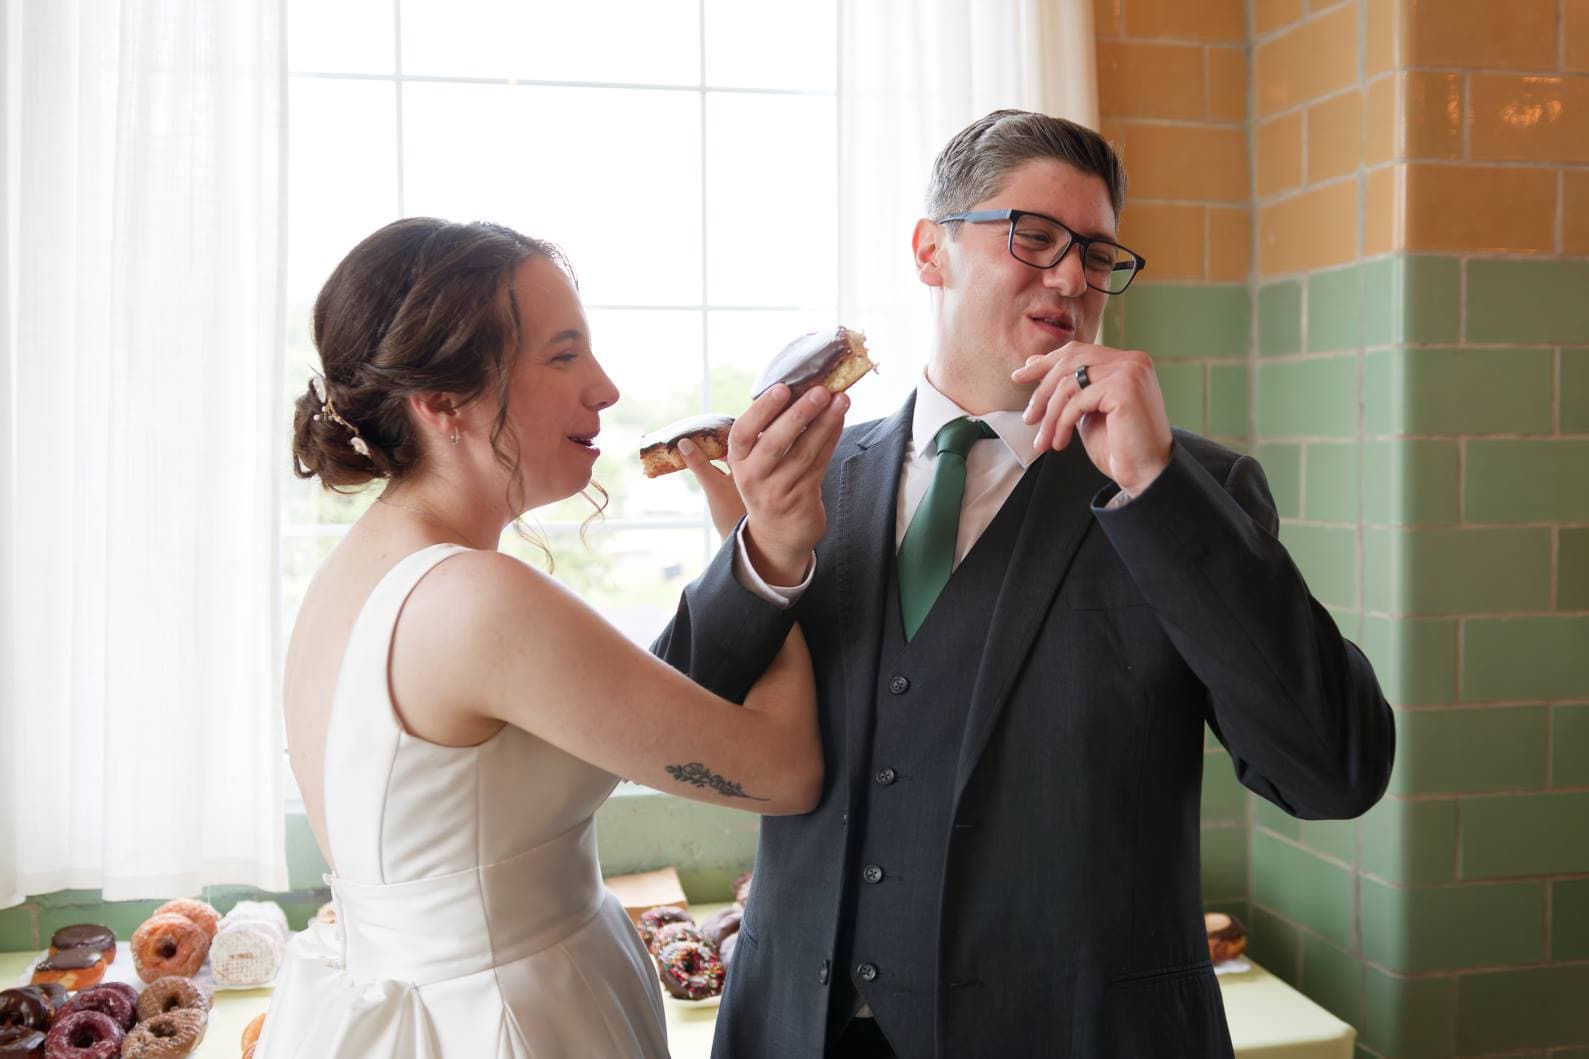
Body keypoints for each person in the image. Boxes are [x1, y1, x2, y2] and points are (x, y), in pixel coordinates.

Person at [655, 109, 1396, 1057]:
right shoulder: (813, 477)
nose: (1069, 278)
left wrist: (1158, 488)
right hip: (800, 1029)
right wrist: (766, 555)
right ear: (931, 250)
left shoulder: (1187, 488)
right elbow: (676, 731)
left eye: (1095, 255)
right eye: (1033, 237)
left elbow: (1332, 770)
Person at [260, 217, 846, 1059]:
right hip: (507, 1021)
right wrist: (776, 540)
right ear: (442, 401)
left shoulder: (359, 570)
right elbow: (783, 771)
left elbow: (635, 704)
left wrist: (743, 546)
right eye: (564, 356)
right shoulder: (471, 597)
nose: (604, 389)